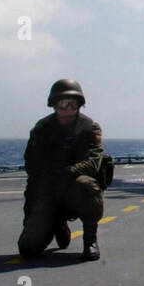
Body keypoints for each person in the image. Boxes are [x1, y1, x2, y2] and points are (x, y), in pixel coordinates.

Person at [19, 79, 110, 261]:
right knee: (28, 250)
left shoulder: (89, 128)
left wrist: (66, 173)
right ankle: (58, 223)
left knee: (86, 185)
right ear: (53, 104)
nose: (68, 108)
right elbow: (31, 163)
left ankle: (90, 239)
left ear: (80, 105)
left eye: (73, 104)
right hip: (49, 189)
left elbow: (93, 162)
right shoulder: (42, 128)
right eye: (62, 103)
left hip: (74, 187)